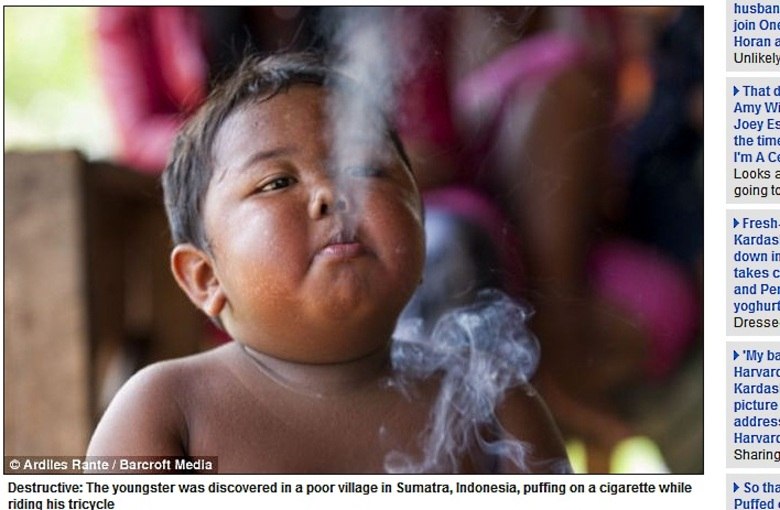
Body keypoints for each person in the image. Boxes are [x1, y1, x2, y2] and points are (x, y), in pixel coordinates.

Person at [86, 52, 570, 474]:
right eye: (276, 182)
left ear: (419, 224)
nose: (334, 193)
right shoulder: (168, 410)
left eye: (365, 168)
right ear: (206, 276)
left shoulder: (496, 405)